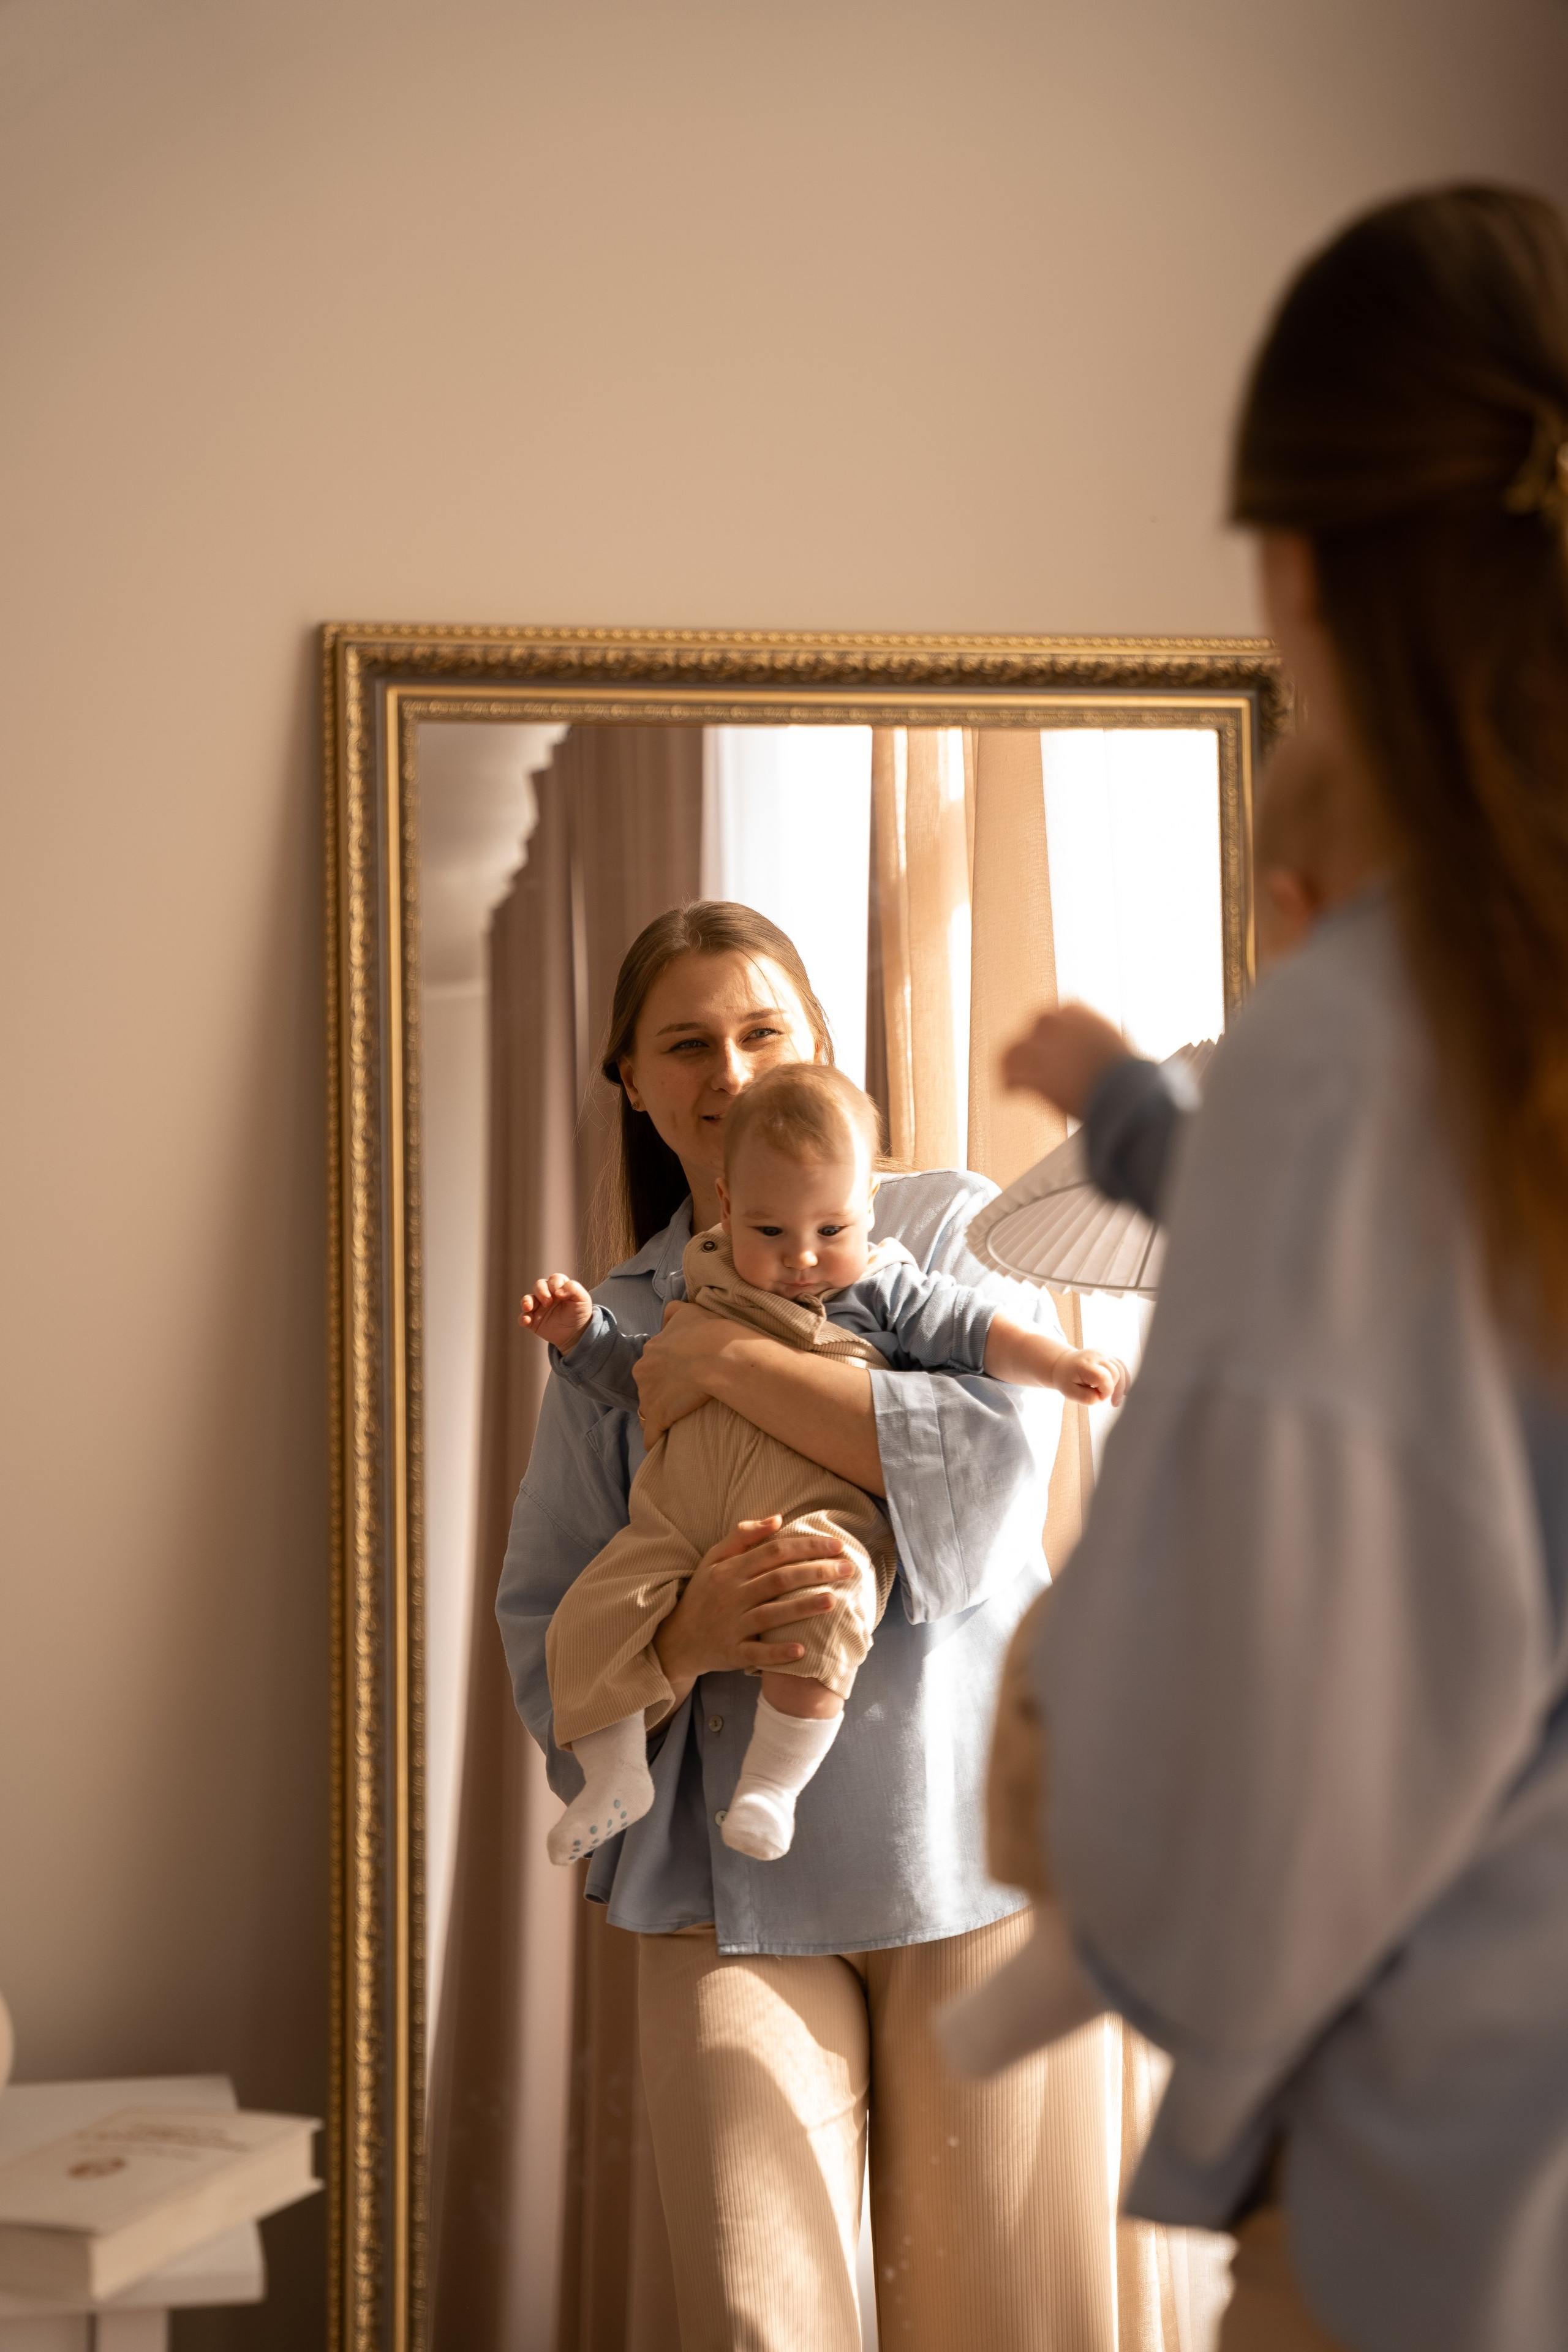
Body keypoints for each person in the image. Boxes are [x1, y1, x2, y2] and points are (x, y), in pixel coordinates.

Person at [999, 186, 1568, 2352]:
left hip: (1450, 2205)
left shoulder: (1355, 1066)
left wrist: (1050, 1727)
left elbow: (1230, 1864)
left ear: (1299, 572)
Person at [496, 900, 1131, 2351]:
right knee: (751, 2315)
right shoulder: (612, 1316)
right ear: (635, 1085)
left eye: (759, 1030)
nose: (725, 1068)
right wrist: (681, 1639)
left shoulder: (932, 1227)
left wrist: (718, 1361)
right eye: (685, 1043)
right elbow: (550, 1610)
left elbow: (979, 1492)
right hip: (729, 1894)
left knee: (1005, 2321)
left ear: (817, 1048)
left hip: (973, 1851)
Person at [520, 1061, 1125, 1867]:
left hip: (816, 1515)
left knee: (830, 1600)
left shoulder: (885, 1288)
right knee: (591, 1613)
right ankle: (614, 1775)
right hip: (677, 1526)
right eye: (771, 1233)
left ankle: (773, 1784)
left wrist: (1057, 1365)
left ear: (867, 1207)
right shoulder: (702, 1281)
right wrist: (580, 1337)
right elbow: (637, 1376)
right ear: (730, 1206)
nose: (802, 1258)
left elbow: (979, 1332)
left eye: (830, 1232)